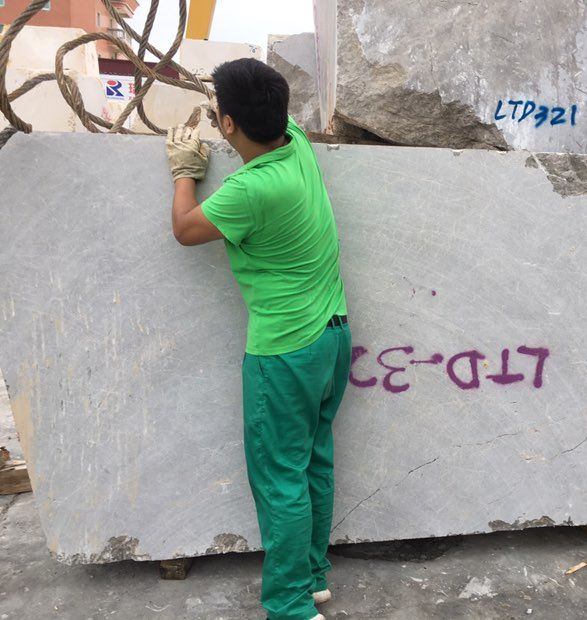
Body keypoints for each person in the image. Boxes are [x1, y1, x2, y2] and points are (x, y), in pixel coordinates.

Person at [165, 57, 351, 620]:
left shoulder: (249, 189)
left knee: (279, 479)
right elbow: (263, 112)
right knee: (313, 463)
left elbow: (185, 229)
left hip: (285, 350)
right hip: (332, 337)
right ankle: (312, 577)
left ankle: (291, 606)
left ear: (227, 124)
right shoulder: (298, 146)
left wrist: (184, 173)